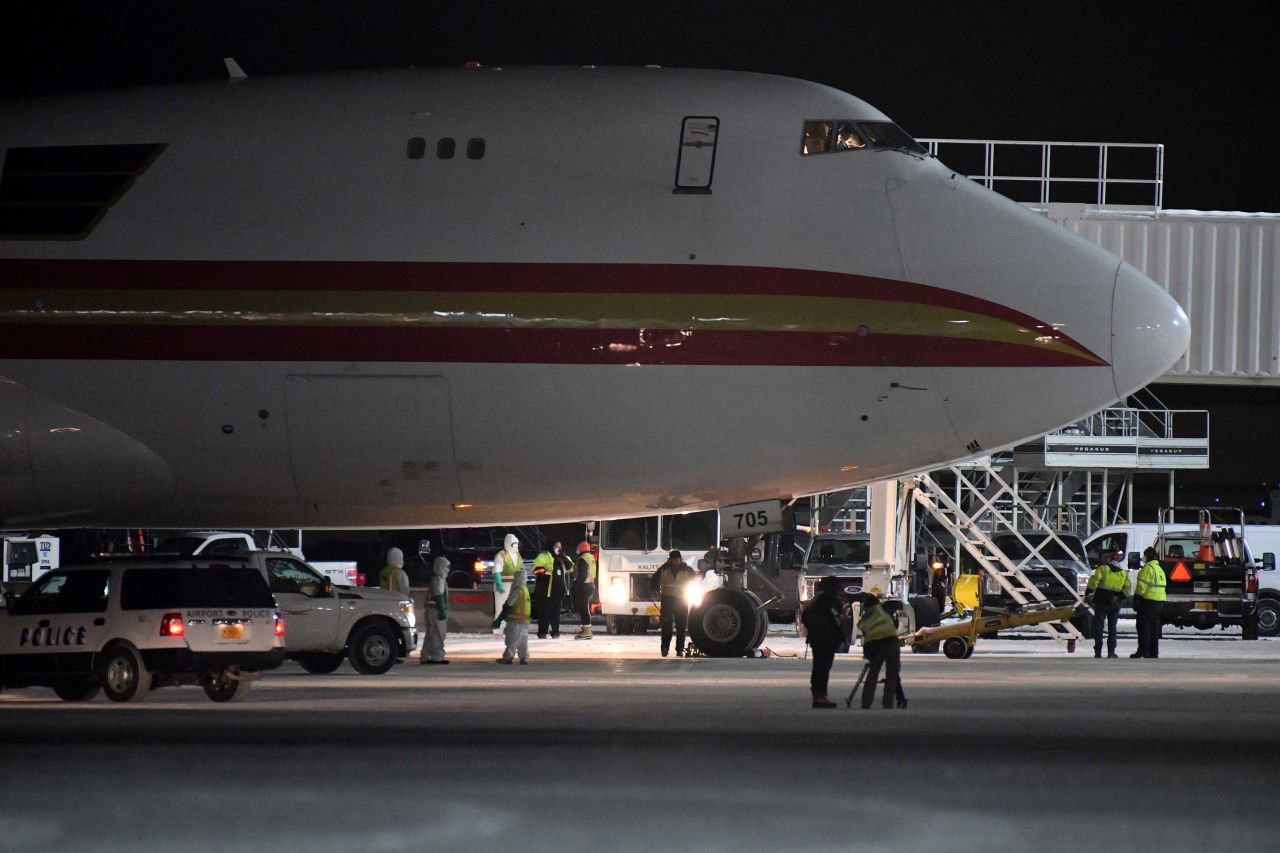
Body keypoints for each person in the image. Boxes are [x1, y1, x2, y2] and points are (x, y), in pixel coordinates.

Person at [801, 575, 845, 708]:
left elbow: (805, 618)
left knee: (818, 667)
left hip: (817, 639)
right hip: (827, 640)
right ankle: (821, 696)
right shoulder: (832, 602)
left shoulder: (814, 602)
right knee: (823, 668)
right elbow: (837, 621)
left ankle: (817, 695)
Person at [856, 592, 902, 710]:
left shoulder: (863, 620)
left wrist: (867, 654)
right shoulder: (884, 610)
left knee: (873, 674)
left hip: (876, 645)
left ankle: (866, 703)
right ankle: (888, 704)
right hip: (892, 642)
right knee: (892, 674)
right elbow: (897, 605)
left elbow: (866, 637)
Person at [1086, 549, 1131, 658]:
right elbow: (1127, 590)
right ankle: (1111, 652)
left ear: (1109, 559)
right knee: (1112, 628)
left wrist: (1088, 593)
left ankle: (1098, 651)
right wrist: (1118, 597)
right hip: (1115, 603)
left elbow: (1093, 583)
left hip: (1101, 602)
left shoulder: (1102, 569)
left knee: (1099, 627)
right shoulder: (1123, 573)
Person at [651, 550, 696, 657]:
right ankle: (665, 648)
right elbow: (654, 581)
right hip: (667, 599)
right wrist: (654, 591)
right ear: (670, 560)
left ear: (680, 559)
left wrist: (701, 576)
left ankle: (679, 649)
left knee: (681, 626)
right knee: (666, 625)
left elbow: (695, 579)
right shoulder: (663, 570)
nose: (676, 561)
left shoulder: (687, 570)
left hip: (682, 600)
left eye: (677, 559)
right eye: (674, 559)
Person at [1132, 547, 1167, 658]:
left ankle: (1143, 651)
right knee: (1154, 628)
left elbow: (1141, 586)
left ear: (1148, 556)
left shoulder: (1148, 568)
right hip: (1159, 602)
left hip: (1148, 601)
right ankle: (1153, 652)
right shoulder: (1159, 569)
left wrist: (1137, 600)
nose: (1143, 557)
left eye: (1144, 555)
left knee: (1143, 627)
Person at [532, 542, 570, 638]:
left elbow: (571, 568)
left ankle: (555, 632)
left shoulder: (563, 557)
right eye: (556, 546)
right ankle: (542, 633)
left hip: (559, 591)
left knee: (556, 613)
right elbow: (535, 569)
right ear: (551, 547)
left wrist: (564, 557)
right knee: (544, 612)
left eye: (559, 547)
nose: (558, 548)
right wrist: (543, 571)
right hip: (545, 590)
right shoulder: (543, 556)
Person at [492, 569, 531, 664]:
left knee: (512, 639)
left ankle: (508, 657)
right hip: (524, 620)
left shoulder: (517, 590)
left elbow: (509, 604)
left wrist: (500, 617)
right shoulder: (525, 589)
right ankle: (524, 657)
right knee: (522, 640)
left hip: (515, 620)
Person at [421, 556, 450, 665]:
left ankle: (426, 656)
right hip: (436, 610)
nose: (447, 569)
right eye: (446, 567)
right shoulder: (439, 579)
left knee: (431, 634)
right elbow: (438, 595)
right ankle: (437, 657)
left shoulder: (436, 578)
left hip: (431, 610)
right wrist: (442, 610)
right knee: (438, 634)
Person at [492, 533, 522, 615]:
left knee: (512, 611)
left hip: (514, 587)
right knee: (500, 611)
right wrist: (499, 585)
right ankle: (499, 627)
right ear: (508, 544)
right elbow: (496, 570)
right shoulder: (501, 555)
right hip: (503, 586)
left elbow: (521, 570)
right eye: (514, 544)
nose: (516, 546)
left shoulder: (518, 555)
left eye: (516, 544)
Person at [572, 540, 596, 639]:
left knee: (583, 609)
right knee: (584, 608)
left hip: (583, 587)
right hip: (590, 585)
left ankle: (587, 631)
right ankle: (585, 629)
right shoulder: (590, 557)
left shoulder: (583, 559)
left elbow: (582, 575)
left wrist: (576, 585)